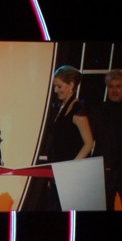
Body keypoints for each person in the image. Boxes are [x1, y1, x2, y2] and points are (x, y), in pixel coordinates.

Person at [33, 65, 95, 210]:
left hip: (70, 173)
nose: (55, 90)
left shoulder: (78, 110)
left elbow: (88, 143)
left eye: (59, 86)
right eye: (55, 86)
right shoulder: (60, 106)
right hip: (59, 170)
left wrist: (71, 168)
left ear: (71, 85)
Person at [91, 69, 122, 209]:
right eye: (111, 87)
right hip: (104, 168)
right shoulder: (98, 110)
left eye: (118, 86)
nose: (114, 90)